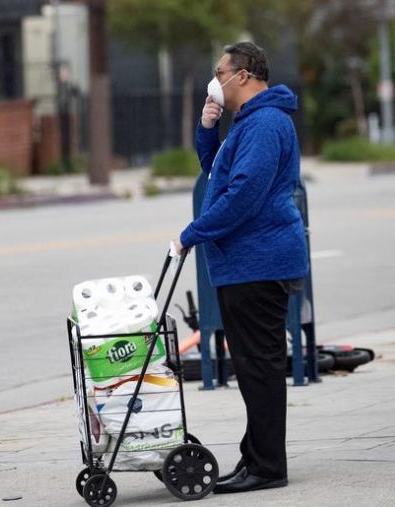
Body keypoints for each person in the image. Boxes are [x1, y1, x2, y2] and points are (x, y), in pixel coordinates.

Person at [172, 42, 308, 494]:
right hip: (244, 264)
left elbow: (244, 195)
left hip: (259, 262)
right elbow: (218, 180)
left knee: (260, 368)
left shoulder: (266, 123)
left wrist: (191, 235)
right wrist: (208, 132)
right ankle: (255, 458)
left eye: (220, 71)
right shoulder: (249, 123)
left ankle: (268, 466)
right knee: (252, 367)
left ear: (243, 75)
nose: (215, 79)